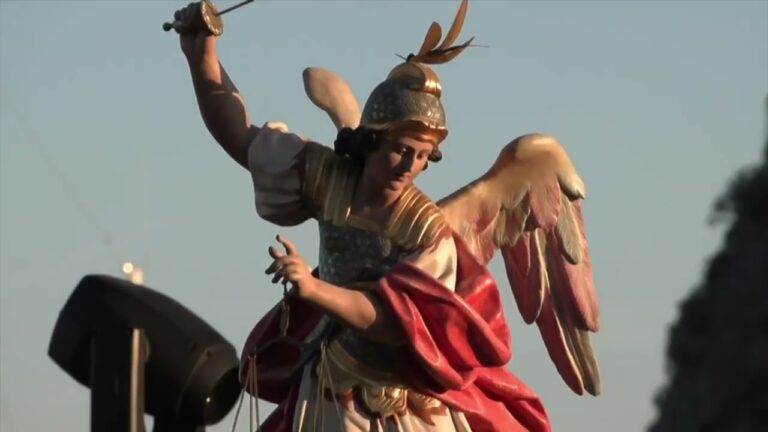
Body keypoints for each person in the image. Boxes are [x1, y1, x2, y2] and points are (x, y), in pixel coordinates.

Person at [173, 1, 600, 431]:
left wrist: (313, 288)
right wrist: (201, 54)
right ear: (371, 142)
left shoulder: (426, 230)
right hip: (331, 392)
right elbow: (239, 137)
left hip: (406, 410)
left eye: (421, 156)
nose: (408, 166)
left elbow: (393, 321)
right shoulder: (328, 181)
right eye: (400, 150)